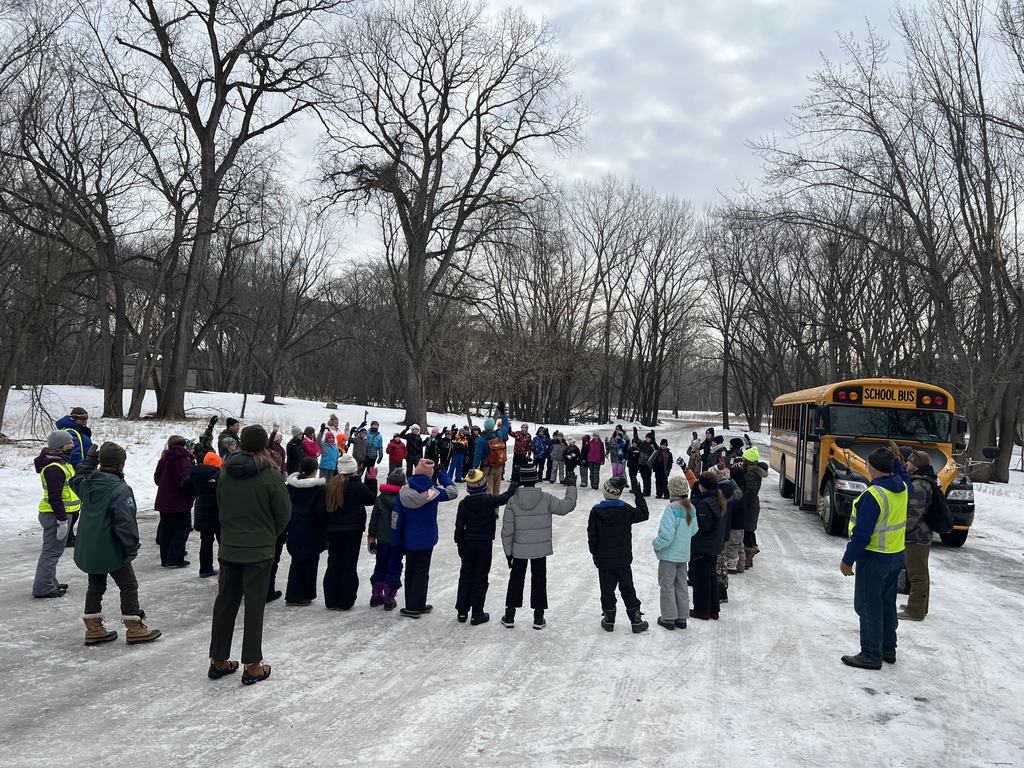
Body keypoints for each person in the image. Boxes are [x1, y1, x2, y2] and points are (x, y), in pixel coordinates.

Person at [209, 425, 291, 685]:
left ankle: (219, 659)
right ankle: (252, 664)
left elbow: (221, 506)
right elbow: (283, 514)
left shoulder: (225, 473)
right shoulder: (270, 476)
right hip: (258, 550)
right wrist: (269, 534)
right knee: (254, 606)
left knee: (225, 603)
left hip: (230, 546)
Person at [71, 442, 161, 645]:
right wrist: (130, 546)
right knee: (128, 585)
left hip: (90, 547)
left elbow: (75, 479)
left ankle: (93, 628)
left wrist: (89, 462)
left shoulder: (88, 484)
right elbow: (125, 521)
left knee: (95, 585)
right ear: (121, 465)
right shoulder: (120, 489)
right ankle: (134, 627)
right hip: (111, 548)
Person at [840, 446, 909, 670]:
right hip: (895, 556)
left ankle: (870, 654)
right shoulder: (902, 487)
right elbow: (904, 475)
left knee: (868, 606)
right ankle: (888, 648)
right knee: (887, 603)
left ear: (871, 467)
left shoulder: (873, 495)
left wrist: (848, 559)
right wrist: (896, 459)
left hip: (874, 558)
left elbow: (862, 534)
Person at [500, 463, 578, 630]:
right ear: (536, 479)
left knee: (516, 579)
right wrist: (571, 486)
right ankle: (538, 617)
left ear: (521, 479)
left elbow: (507, 530)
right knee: (539, 579)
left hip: (518, 549)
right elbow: (566, 507)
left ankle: (510, 615)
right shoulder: (546, 498)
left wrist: (508, 553)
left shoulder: (512, 501)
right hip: (540, 549)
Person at [391, 460, 458, 617]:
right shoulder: (432, 493)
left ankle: (411, 605)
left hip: (409, 538)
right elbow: (453, 491)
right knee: (422, 571)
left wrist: (395, 539)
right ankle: (417, 604)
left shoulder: (403, 491)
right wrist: (442, 474)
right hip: (427, 539)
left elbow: (396, 517)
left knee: (410, 570)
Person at [454, 469, 519, 625]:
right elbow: (505, 497)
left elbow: (458, 528)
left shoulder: (464, 504)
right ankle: (477, 612)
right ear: (483, 486)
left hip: (468, 543)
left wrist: (460, 544)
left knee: (465, 576)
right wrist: (514, 485)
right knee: (481, 577)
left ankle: (462, 611)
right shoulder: (489, 501)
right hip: (484, 543)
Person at [588, 476, 650, 633]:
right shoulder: (625, 510)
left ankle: (609, 619)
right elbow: (644, 514)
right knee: (628, 588)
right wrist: (638, 494)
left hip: (604, 560)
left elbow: (592, 536)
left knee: (607, 590)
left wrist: (595, 554)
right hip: (623, 559)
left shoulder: (596, 511)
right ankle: (635, 619)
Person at [323, 453, 378, 610]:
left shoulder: (331, 485)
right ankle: (345, 601)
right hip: (352, 531)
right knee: (348, 564)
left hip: (333, 530)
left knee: (333, 563)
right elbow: (371, 499)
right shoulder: (356, 486)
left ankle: (331, 600)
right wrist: (372, 480)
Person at [32, 431, 79, 598]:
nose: (72, 446)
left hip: (59, 514)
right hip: (55, 515)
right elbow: (55, 497)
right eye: (69, 443)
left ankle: (49, 581)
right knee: (51, 552)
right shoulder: (54, 468)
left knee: (53, 551)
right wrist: (61, 520)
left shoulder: (60, 462)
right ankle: (43, 587)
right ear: (60, 446)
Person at [653, 474, 698, 630]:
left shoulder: (671, 509)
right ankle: (681, 617)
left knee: (667, 585)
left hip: (669, 555)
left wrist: (656, 544)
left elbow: (666, 535)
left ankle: (669, 617)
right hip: (683, 555)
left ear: (672, 491)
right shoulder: (691, 508)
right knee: (681, 585)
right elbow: (694, 529)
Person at [284, 457, 327, 606]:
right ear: (314, 471)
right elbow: (321, 512)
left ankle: (294, 593)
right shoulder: (319, 489)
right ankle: (305, 593)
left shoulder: (290, 487)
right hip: (313, 529)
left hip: (294, 527)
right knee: (310, 562)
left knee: (296, 561)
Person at [900, 450, 935, 622]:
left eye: (910, 461)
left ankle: (915, 611)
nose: (907, 463)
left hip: (916, 536)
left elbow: (913, 513)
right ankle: (921, 606)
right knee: (921, 572)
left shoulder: (919, 484)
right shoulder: (924, 480)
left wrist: (901, 530)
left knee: (917, 574)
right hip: (921, 535)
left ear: (917, 464)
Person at [153, 436, 196, 568]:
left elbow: (157, 479)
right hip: (180, 502)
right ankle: (175, 558)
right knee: (182, 529)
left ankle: (165, 558)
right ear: (184, 446)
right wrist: (191, 494)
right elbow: (187, 481)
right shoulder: (185, 461)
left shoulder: (163, 460)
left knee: (166, 529)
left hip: (163, 501)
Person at [689, 472, 726, 621]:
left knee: (701, 579)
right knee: (710, 577)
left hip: (703, 546)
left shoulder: (704, 503)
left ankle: (702, 610)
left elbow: (702, 527)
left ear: (702, 486)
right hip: (714, 545)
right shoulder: (718, 499)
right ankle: (713, 609)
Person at [368, 467, 405, 610]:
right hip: (397, 541)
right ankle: (389, 597)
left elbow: (374, 520)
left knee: (381, 565)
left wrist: (371, 538)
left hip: (382, 540)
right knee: (394, 566)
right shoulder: (403, 499)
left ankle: (376, 595)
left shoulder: (380, 499)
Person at [182, 451, 224, 578]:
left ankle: (205, 568)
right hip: (218, 513)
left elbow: (184, 484)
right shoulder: (219, 475)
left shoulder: (196, 474)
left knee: (205, 542)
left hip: (202, 513)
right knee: (223, 542)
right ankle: (225, 569)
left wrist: (197, 492)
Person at [55, 406, 92, 546]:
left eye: (86, 419)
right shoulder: (71, 432)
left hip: (80, 470)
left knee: (75, 506)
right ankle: (67, 535)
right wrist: (81, 471)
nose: (84, 421)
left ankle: (68, 534)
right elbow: (76, 454)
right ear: (73, 419)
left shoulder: (79, 432)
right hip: (75, 472)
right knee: (72, 507)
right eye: (81, 419)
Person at [472, 404, 511, 495]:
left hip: (487, 467)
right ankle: (495, 509)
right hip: (499, 466)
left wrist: (474, 468)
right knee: (496, 491)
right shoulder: (499, 434)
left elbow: (478, 456)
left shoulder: (481, 439)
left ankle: (488, 509)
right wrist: (503, 413)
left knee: (488, 491)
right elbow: (505, 426)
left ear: (485, 426)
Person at [741, 447, 769, 568]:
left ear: (748, 461)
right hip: (753, 505)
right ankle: (751, 553)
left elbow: (750, 491)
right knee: (750, 530)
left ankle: (748, 558)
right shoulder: (756, 473)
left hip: (749, 506)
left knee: (747, 531)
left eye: (744, 459)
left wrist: (743, 501)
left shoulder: (750, 474)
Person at [635, 428, 656, 497]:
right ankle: (645, 490)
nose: (648, 439)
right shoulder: (643, 443)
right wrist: (635, 432)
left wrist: (653, 436)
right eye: (647, 437)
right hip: (641, 463)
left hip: (648, 464)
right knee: (643, 477)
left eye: (649, 438)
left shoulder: (652, 445)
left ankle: (647, 491)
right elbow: (637, 439)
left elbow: (656, 449)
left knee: (647, 478)